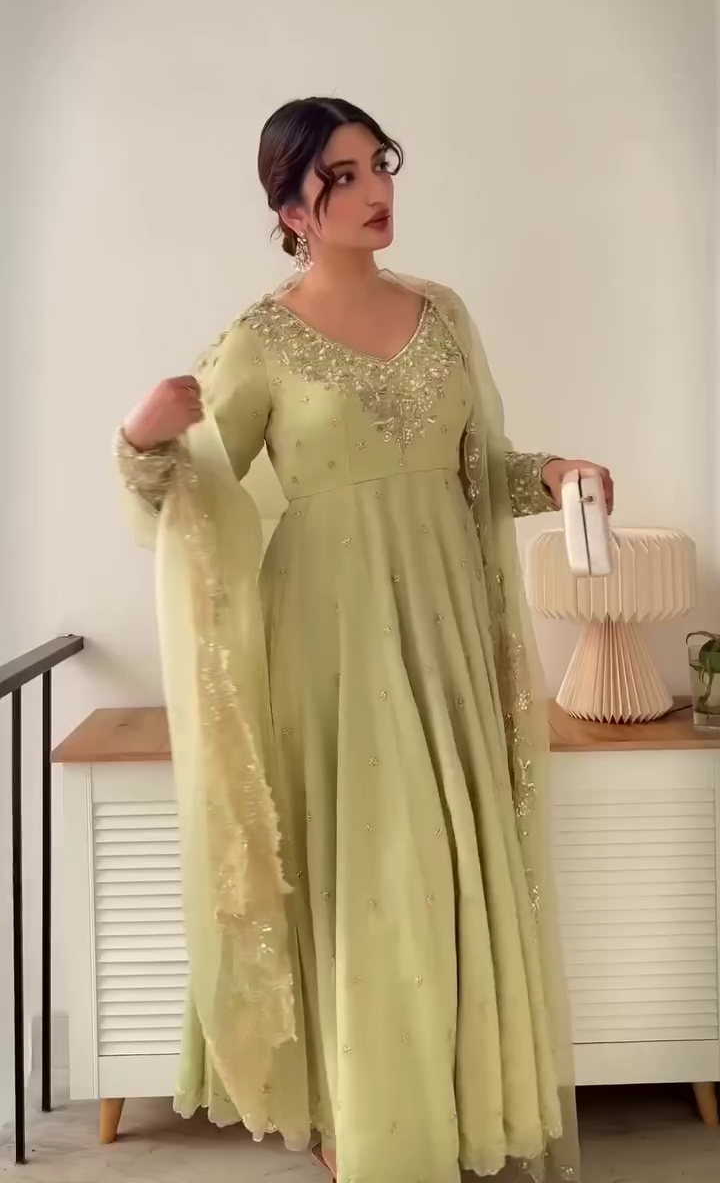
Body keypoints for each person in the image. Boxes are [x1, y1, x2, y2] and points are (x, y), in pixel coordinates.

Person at [115, 97, 612, 1183]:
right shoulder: (258, 341)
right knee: (365, 872)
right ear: (291, 207)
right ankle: (357, 1121)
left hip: (443, 631)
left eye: (377, 163)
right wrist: (141, 440)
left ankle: (450, 1102)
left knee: (441, 870)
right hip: (330, 640)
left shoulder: (445, 313)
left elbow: (479, 470)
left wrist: (555, 474)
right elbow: (189, 501)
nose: (374, 189)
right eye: (340, 176)